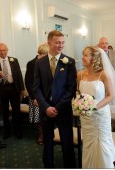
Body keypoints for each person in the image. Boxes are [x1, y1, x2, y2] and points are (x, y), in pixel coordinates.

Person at [33, 30, 76, 168]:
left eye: (63, 42)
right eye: (57, 42)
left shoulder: (69, 62)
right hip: (46, 109)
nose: (60, 45)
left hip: (62, 109)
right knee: (47, 142)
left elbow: (71, 89)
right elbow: (36, 88)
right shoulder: (39, 63)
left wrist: (57, 107)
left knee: (67, 141)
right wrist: (46, 107)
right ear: (49, 42)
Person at [77, 46, 115, 168]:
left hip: (100, 115)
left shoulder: (103, 74)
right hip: (86, 118)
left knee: (102, 143)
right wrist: (78, 103)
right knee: (88, 143)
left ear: (94, 58)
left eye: (86, 55)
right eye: (83, 55)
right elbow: (78, 93)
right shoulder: (80, 75)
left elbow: (110, 95)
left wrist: (95, 107)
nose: (83, 57)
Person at [0, 43, 25, 139]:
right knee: (4, 111)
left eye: (4, 50)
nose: (2, 52)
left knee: (16, 111)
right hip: (2, 90)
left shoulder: (14, 60)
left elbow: (19, 75)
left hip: (14, 89)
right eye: (0, 50)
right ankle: (7, 131)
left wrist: (22, 89)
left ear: (7, 50)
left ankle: (17, 130)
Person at [25, 43, 49, 145]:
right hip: (36, 96)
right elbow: (28, 82)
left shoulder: (47, 62)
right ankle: (41, 135)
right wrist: (34, 97)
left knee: (46, 116)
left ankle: (47, 134)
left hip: (46, 95)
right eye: (45, 54)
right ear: (40, 53)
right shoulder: (31, 63)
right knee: (38, 117)